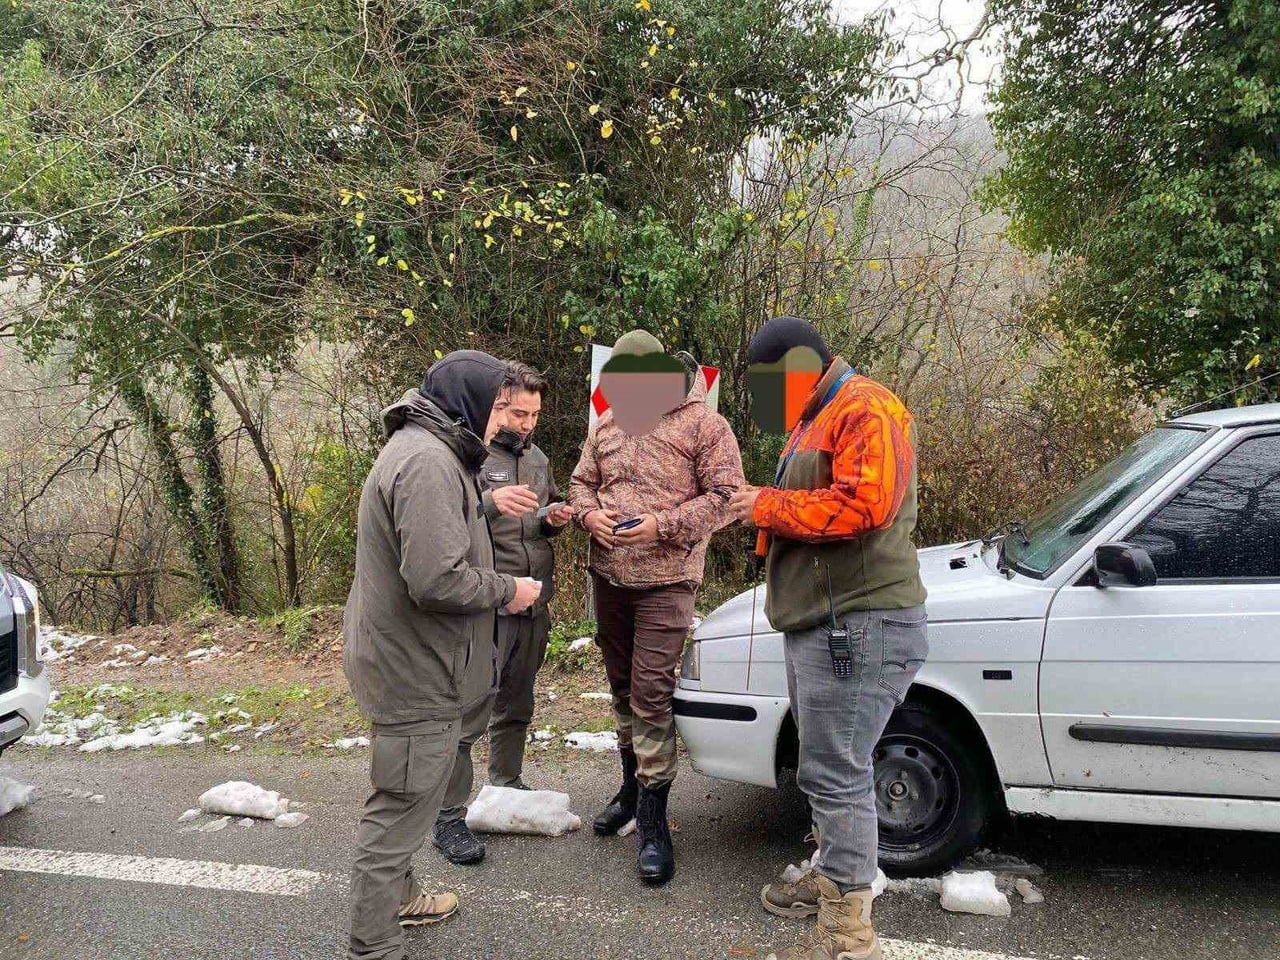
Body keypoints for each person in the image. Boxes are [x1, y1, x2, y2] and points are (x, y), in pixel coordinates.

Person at [729, 316, 928, 960]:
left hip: (859, 622)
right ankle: (833, 878)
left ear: (798, 367)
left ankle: (848, 936)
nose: (763, 396)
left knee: (838, 773)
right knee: (824, 768)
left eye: (766, 381)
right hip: (826, 619)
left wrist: (762, 505)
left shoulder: (865, 407)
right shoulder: (814, 415)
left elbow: (865, 505)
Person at [342, 350, 542, 960]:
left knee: (412, 789)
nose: (501, 424)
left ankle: (402, 899)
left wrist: (485, 511)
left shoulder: (428, 448)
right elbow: (435, 578)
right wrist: (510, 590)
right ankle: (374, 944)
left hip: (414, 657)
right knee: (400, 804)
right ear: (472, 405)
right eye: (497, 409)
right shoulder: (429, 461)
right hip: (414, 666)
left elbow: (436, 534)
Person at [568, 329, 744, 885]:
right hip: (609, 578)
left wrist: (661, 526)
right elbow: (580, 483)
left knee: (650, 692)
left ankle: (654, 821)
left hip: (667, 580)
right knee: (621, 686)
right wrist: (587, 515)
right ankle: (629, 788)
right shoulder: (609, 424)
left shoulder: (703, 424)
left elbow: (726, 499)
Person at [431, 361, 574, 865]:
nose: (527, 424)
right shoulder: (468, 454)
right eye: (518, 412)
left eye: (534, 414)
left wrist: (551, 519)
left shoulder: (538, 459)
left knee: (517, 701)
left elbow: (535, 519)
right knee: (471, 708)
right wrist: (492, 502)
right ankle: (447, 816)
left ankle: (506, 787)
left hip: (533, 599)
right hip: (488, 603)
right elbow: (455, 517)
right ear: (497, 404)